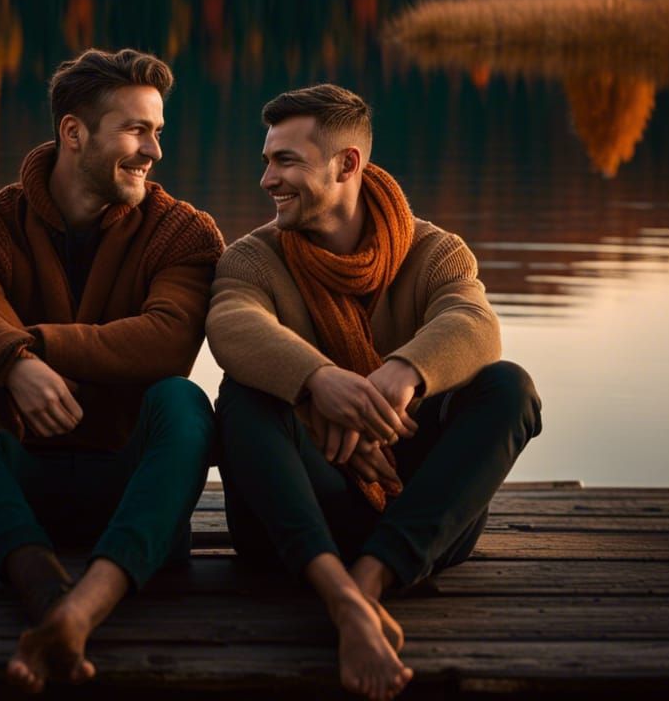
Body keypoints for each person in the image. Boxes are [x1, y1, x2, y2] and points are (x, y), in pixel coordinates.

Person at [208, 84, 541, 701]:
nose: (267, 180)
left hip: (420, 518)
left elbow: (474, 323)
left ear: (347, 164)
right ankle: (341, 592)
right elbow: (233, 326)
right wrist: (318, 386)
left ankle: (364, 583)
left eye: (285, 161)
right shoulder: (252, 259)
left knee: (509, 387)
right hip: (299, 513)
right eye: (266, 160)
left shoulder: (434, 251)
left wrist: (399, 376)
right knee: (242, 397)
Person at [0, 48, 224, 693]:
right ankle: (41, 585)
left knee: (184, 400)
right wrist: (7, 365)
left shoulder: (182, 233)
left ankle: (87, 602)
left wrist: (26, 352)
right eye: (137, 130)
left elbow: (166, 341)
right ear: (74, 132)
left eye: (158, 132)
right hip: (24, 486)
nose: (153, 152)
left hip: (133, 495)